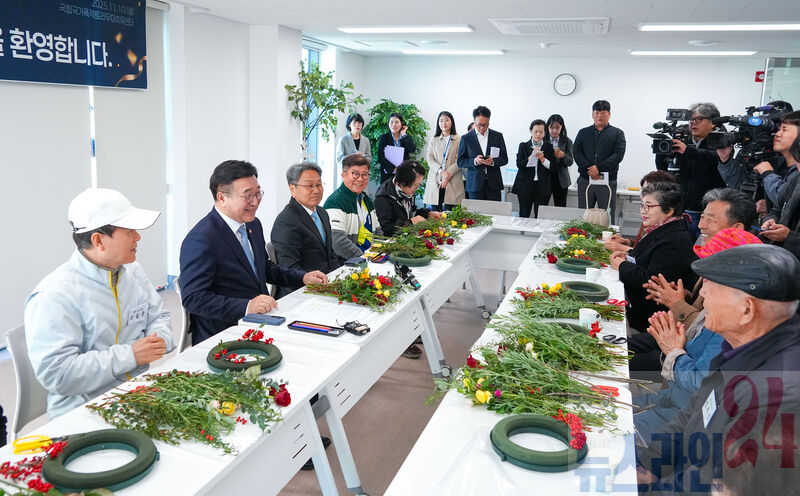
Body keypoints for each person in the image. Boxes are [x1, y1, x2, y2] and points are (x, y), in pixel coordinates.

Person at [636, 244, 800, 492]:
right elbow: (693, 413)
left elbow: (717, 482)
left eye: (712, 287)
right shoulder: (740, 346)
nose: (704, 295)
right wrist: (649, 465)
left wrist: (651, 489)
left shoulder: (778, 395)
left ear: (747, 309)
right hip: (678, 472)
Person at [25, 188, 174, 418]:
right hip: (85, 411)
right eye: (129, 231)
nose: (138, 237)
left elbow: (158, 316)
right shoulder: (55, 295)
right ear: (98, 240)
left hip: (139, 393)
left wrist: (159, 338)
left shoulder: (132, 271)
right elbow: (58, 374)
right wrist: (130, 355)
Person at [632, 228, 763, 445]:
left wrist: (674, 350)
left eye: (712, 279)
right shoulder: (721, 311)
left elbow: (701, 383)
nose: (703, 290)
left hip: (684, 416)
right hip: (674, 399)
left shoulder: (729, 329)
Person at [180, 160, 327, 345]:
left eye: (258, 193)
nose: (256, 202)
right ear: (222, 198)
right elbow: (193, 298)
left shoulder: (252, 224)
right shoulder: (201, 238)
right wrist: (247, 306)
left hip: (262, 322)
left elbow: (264, 267)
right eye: (248, 196)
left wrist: (303, 277)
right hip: (225, 335)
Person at [609, 182, 696, 334]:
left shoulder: (675, 239)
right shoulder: (660, 228)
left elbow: (652, 280)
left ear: (669, 210)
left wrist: (622, 265)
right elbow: (648, 259)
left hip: (650, 319)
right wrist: (628, 256)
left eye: (648, 206)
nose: (643, 211)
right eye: (642, 205)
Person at [656, 103, 727, 239]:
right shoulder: (684, 139)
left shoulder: (721, 141)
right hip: (681, 209)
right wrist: (662, 150)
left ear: (712, 123)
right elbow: (663, 170)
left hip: (706, 211)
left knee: (703, 248)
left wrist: (688, 150)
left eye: (698, 119)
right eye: (691, 119)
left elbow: (715, 158)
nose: (693, 123)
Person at [271, 162, 342, 299]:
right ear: (292, 189)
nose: (316, 190)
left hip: (328, 284)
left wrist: (339, 277)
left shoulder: (321, 212)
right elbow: (289, 267)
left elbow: (330, 254)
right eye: (309, 186)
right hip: (304, 292)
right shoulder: (286, 221)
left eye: (319, 185)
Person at [716, 102, 795, 209]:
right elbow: (739, 184)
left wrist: (772, 208)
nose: (778, 134)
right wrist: (725, 160)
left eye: (783, 129)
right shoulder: (752, 150)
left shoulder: (793, 161)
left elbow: (788, 198)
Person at [573, 100, 626, 221]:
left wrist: (598, 168)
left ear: (609, 114)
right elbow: (577, 153)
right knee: (583, 215)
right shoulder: (583, 132)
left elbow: (618, 155)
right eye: (597, 113)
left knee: (607, 216)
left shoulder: (617, 133)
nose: (599, 116)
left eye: (603, 113)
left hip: (607, 181)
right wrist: (590, 169)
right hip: (586, 179)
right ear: (592, 114)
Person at [324, 154, 383, 260]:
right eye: (355, 174)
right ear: (343, 175)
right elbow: (338, 243)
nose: (360, 179)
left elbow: (378, 233)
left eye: (364, 175)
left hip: (371, 258)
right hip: (347, 263)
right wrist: (363, 258)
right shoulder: (335, 202)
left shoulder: (367, 200)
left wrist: (380, 254)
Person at [604, 170, 678, 253]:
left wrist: (624, 248)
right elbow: (642, 245)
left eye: (649, 190)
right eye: (643, 189)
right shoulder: (650, 214)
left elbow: (648, 255)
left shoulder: (669, 232)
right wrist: (627, 242)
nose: (644, 194)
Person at [375, 160, 443, 236]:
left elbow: (412, 212)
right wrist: (410, 222)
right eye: (416, 185)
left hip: (407, 235)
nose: (417, 188)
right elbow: (387, 229)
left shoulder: (405, 191)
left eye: (418, 186)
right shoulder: (383, 198)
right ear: (404, 182)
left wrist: (429, 214)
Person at [760, 133, 800, 259]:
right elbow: (779, 207)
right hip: (782, 258)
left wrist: (789, 237)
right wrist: (772, 220)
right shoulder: (796, 180)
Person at [457, 105, 509, 201]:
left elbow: (504, 158)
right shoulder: (466, 138)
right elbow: (460, 161)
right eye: (479, 124)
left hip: (494, 185)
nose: (482, 128)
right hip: (474, 185)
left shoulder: (497, 136)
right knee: (475, 211)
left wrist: (493, 161)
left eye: (485, 125)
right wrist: (475, 161)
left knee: (495, 210)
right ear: (474, 121)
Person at [511, 119, 554, 218]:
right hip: (525, 186)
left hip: (542, 186)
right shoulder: (523, 146)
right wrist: (531, 156)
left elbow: (554, 167)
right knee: (524, 214)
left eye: (541, 132)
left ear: (544, 132)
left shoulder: (548, 147)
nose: (538, 134)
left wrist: (543, 159)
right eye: (536, 131)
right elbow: (520, 165)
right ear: (531, 131)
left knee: (540, 216)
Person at [423, 111, 464, 211]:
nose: (443, 123)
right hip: (436, 178)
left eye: (446, 120)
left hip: (453, 178)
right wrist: (441, 171)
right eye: (441, 121)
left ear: (451, 122)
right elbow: (430, 158)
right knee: (435, 212)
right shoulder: (434, 139)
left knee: (450, 212)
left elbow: (460, 159)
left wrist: (447, 175)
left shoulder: (459, 138)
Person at [544, 114, 574, 207]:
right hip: (545, 178)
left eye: (557, 128)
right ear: (547, 127)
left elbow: (570, 161)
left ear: (562, 128)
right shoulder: (542, 140)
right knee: (542, 206)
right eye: (552, 127)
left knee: (560, 207)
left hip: (561, 179)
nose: (554, 131)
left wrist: (563, 155)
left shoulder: (567, 141)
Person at [377, 113, 416, 183]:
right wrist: (393, 168)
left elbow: (412, 149)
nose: (394, 125)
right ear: (388, 124)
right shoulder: (384, 138)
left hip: (403, 173)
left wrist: (404, 135)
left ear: (402, 124)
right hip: (388, 174)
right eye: (391, 122)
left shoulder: (406, 137)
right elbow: (380, 156)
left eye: (397, 122)